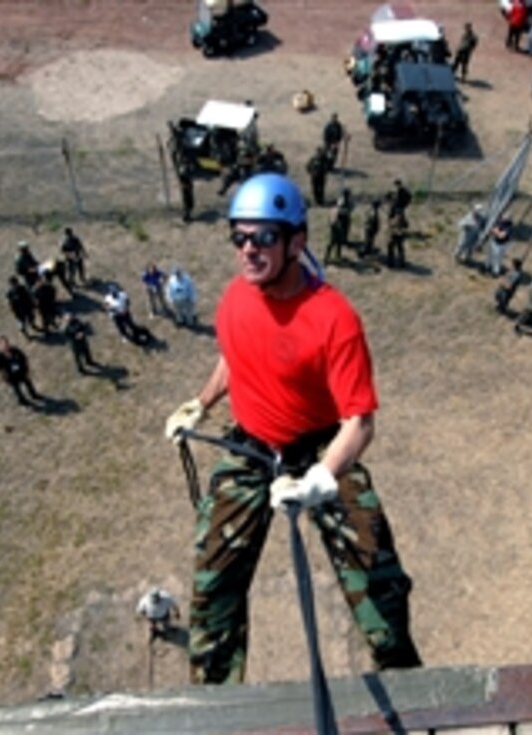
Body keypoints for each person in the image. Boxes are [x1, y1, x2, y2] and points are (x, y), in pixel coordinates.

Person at [163, 173, 422, 685]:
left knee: (377, 577)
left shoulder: (333, 318)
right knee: (213, 583)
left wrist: (319, 481)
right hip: (251, 446)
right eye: (239, 237)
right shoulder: (237, 298)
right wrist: (200, 401)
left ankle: (406, 687)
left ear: (296, 241)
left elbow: (359, 423)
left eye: (262, 238)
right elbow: (235, 356)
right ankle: (216, 704)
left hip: (322, 449)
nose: (248, 250)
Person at [0, 336, 41, 407]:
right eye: (3, 345)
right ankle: (22, 400)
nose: (5, 346)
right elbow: (0, 369)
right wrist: (6, 377)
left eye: (6, 344)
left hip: (21, 372)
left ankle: (34, 395)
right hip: (11, 376)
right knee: (17, 389)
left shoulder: (15, 350)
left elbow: (23, 358)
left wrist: (25, 369)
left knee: (28, 383)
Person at [326, 188, 353, 265]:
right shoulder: (340, 204)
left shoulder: (337, 208)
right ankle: (327, 258)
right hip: (337, 227)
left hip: (339, 225)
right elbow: (336, 218)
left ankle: (337, 256)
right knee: (332, 242)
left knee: (338, 243)